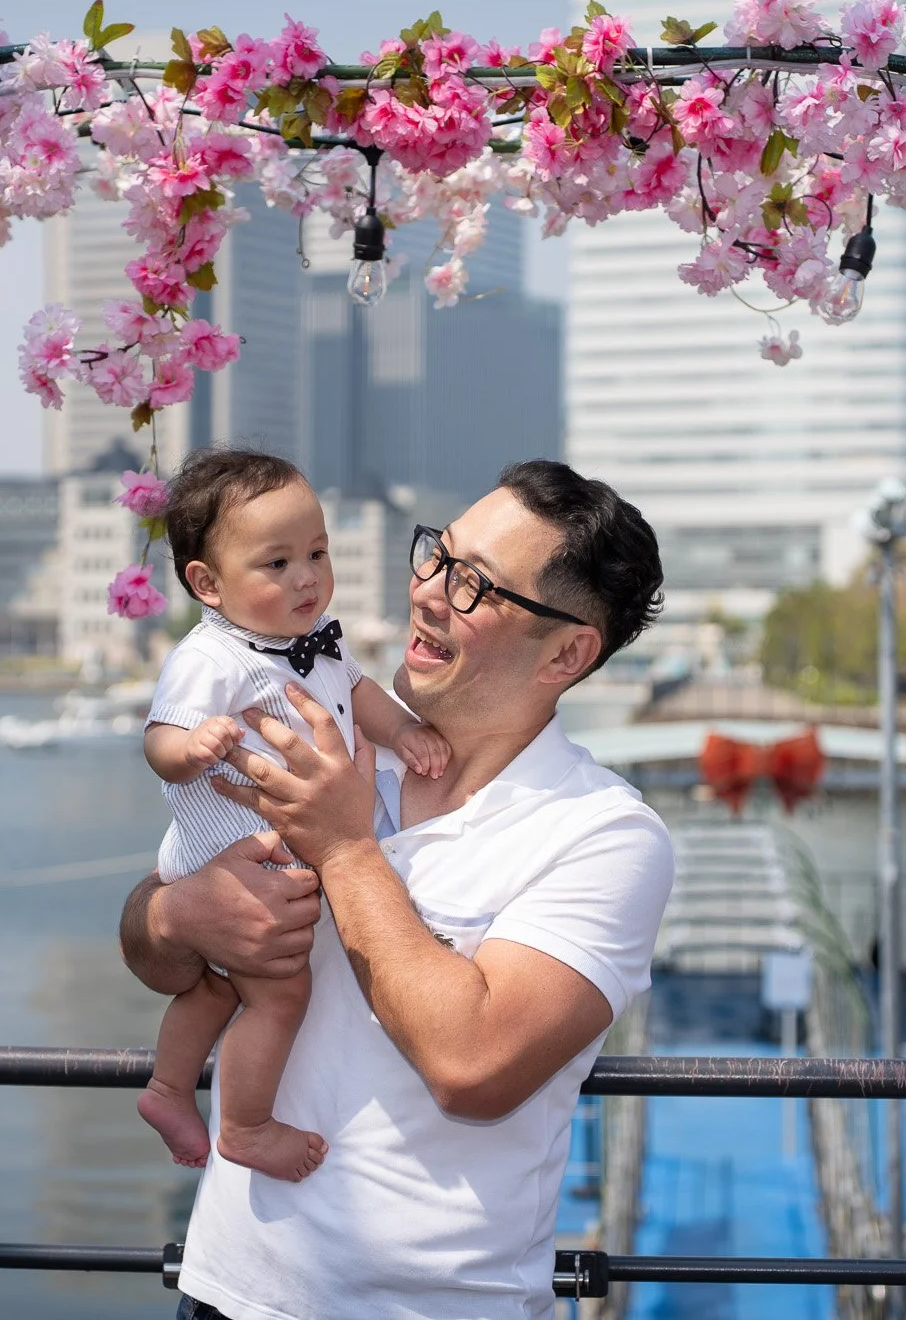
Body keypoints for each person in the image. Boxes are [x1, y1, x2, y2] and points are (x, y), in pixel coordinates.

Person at [119, 459, 673, 1320]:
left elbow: (472, 1066)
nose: (429, 593)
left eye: (475, 585)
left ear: (567, 650)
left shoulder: (604, 835)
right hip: (227, 1286)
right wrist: (177, 912)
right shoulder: (323, 743)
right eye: (437, 556)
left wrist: (343, 846)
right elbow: (151, 955)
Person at [136, 447, 451, 1183]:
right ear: (207, 584)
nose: (307, 576)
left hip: (261, 856)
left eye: (316, 551)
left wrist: (404, 731)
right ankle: (244, 1125)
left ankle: (166, 1087)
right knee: (280, 993)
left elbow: (362, 690)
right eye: (276, 564)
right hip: (231, 856)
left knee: (219, 986)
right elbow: (156, 741)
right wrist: (193, 744)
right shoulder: (210, 658)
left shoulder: (316, 639)